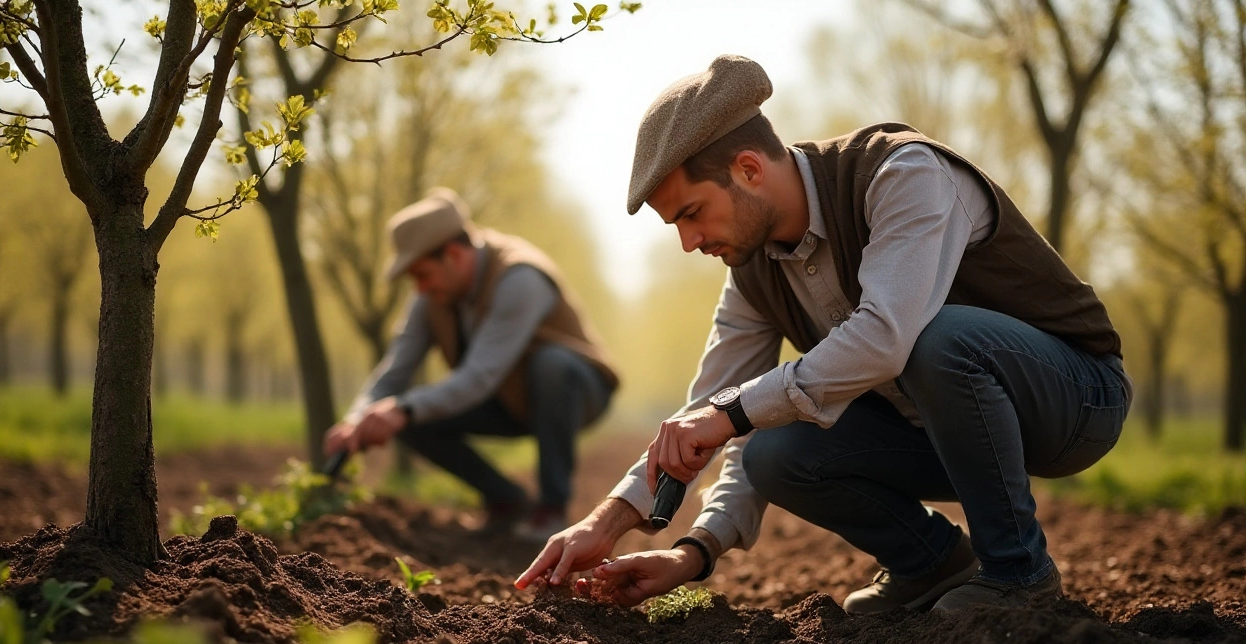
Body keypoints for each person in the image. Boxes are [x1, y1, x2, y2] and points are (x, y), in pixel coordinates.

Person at [516, 55, 1132, 613]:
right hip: (943, 430)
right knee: (772, 453)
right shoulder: (750, 272)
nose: (689, 242)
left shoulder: (900, 173)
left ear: (749, 169)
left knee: (936, 337)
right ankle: (933, 565)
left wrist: (731, 414)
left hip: (1074, 400)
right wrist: (660, 539)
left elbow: (886, 336)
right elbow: (704, 415)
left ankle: (1018, 571)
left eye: (691, 213)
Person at [325, 189, 619, 541]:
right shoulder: (430, 297)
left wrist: (402, 408)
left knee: (550, 365)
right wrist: (356, 418)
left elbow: (480, 375)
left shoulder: (520, 277)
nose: (419, 289)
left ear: (453, 254)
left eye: (422, 274)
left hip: (575, 392)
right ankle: (506, 501)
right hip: (502, 397)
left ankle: (552, 508)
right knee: (410, 416)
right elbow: (395, 369)